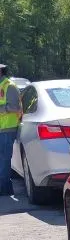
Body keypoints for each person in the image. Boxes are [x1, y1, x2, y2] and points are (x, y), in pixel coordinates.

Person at [0, 64, 22, 196]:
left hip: (7, 129)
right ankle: (6, 188)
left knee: (4, 159)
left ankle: (4, 188)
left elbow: (15, 107)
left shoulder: (9, 86)